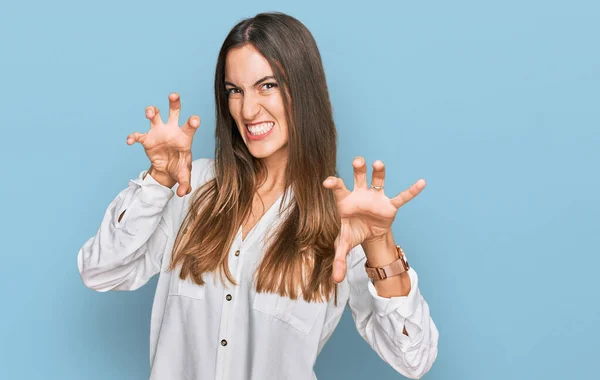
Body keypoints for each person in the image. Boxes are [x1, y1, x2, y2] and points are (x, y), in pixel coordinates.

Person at [77, 12, 439, 380]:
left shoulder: (344, 218)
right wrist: (157, 181)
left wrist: (380, 245)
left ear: (304, 89)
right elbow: (100, 271)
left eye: (267, 85)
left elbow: (413, 358)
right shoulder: (192, 187)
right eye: (235, 90)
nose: (248, 110)